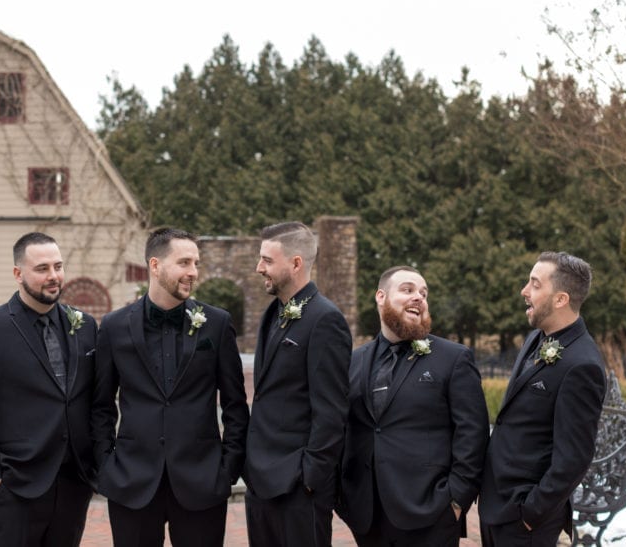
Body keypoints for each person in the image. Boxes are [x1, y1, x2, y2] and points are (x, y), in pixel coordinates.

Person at [92, 227, 249, 547]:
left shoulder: (216, 323)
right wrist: (106, 466)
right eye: (184, 262)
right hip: (131, 482)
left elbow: (235, 404)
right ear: (155, 265)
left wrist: (227, 469)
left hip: (203, 482)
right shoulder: (113, 326)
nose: (193, 272)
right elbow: (100, 406)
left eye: (196, 263)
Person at [0, 232, 97, 546]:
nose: (54, 276)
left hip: (74, 484)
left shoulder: (85, 327)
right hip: (14, 487)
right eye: (42, 268)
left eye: (58, 267)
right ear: (18, 274)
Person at [337, 266, 490, 546]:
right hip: (366, 515)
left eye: (423, 293)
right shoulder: (353, 361)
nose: (418, 297)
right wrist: (342, 497)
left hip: (431, 512)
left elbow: (473, 434)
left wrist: (455, 500)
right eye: (407, 290)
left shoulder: (454, 358)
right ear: (380, 297)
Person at [479, 251, 607, 547]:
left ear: (561, 299)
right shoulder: (537, 338)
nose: (525, 291)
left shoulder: (582, 364)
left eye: (535, 284)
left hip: (524, 521)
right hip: (496, 505)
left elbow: (574, 458)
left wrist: (530, 513)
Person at [243, 221, 352, 547]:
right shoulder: (271, 314)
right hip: (261, 483)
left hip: (298, 489)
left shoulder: (325, 319)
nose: (258, 267)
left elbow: (331, 411)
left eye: (267, 260)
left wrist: (309, 479)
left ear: (295, 263)